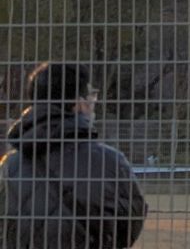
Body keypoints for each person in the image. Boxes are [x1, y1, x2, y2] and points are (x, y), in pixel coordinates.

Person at [0, 61, 146, 249]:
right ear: (78, 102)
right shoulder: (109, 162)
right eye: (90, 95)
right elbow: (129, 224)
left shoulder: (10, 166)